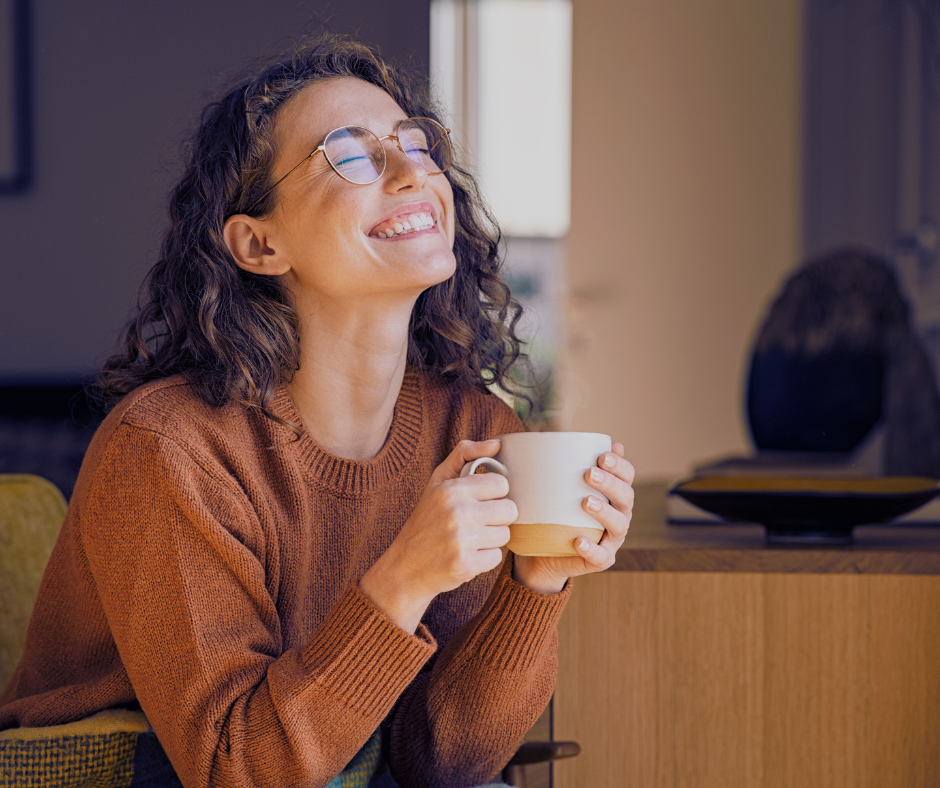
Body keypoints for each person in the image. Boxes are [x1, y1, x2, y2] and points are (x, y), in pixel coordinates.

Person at [0, 34, 634, 788]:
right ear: (259, 244)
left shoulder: (473, 431)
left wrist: (537, 584)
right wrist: (402, 578)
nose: (412, 173)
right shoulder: (168, 449)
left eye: (417, 143)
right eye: (353, 155)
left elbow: (442, 766)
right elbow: (235, 767)